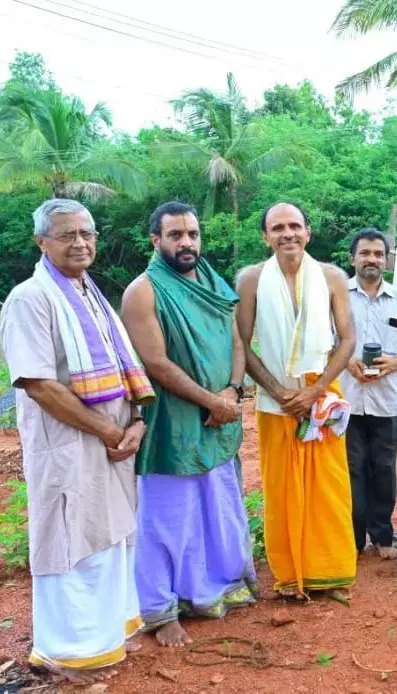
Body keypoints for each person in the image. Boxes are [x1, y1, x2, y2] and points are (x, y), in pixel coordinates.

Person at [0, 199, 154, 683]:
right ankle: (67, 653)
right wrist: (110, 430)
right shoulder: (31, 298)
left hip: (111, 446)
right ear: (41, 243)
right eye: (66, 235)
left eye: (86, 233)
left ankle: (103, 639)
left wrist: (135, 420)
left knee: (108, 535)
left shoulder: (90, 292)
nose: (80, 243)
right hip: (68, 447)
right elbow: (39, 384)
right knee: (70, 542)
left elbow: (123, 367)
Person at [120, 201, 257, 646]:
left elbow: (237, 338)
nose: (186, 242)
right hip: (174, 423)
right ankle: (161, 610)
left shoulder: (213, 281)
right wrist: (211, 401)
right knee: (169, 517)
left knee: (217, 506)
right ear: (155, 241)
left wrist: (232, 392)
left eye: (193, 235)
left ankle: (216, 587)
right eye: (176, 235)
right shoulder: (143, 291)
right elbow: (155, 362)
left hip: (220, 415)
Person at [235, 202, 358, 598]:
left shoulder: (333, 277)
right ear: (265, 236)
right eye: (277, 228)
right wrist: (276, 390)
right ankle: (290, 577)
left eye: (294, 226)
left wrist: (314, 390)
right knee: (281, 486)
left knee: (330, 487)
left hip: (322, 400)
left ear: (308, 231)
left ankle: (331, 573)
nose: (287, 234)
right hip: (275, 401)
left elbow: (348, 340)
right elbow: (241, 343)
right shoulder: (250, 280)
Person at [340, 229, 397, 560]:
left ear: (386, 260)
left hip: (388, 401)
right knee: (352, 468)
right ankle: (353, 538)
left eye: (378, 254)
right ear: (353, 258)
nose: (372, 259)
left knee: (384, 468)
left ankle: (383, 536)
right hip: (347, 400)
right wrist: (347, 362)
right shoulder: (337, 297)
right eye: (365, 253)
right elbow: (325, 341)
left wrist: (394, 363)